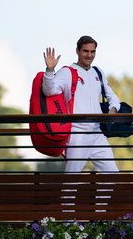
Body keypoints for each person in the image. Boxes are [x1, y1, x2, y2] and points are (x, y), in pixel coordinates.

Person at [42, 35, 121, 173]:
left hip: (98, 134)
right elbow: (49, 91)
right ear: (77, 51)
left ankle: (101, 196)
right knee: (72, 181)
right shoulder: (67, 72)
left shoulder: (98, 72)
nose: (89, 55)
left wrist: (113, 109)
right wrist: (49, 70)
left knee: (112, 175)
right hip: (77, 134)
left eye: (92, 51)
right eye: (85, 51)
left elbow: (113, 96)